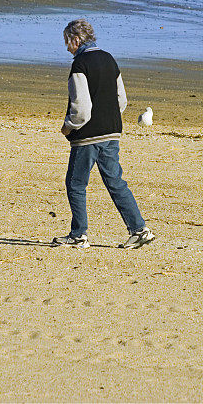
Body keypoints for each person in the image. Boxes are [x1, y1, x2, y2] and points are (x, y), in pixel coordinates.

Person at [52, 19, 154, 249]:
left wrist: (69, 126)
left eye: (67, 42)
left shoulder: (80, 64)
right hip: (112, 131)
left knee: (75, 183)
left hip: (88, 135)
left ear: (76, 40)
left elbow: (81, 109)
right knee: (115, 182)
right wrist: (107, 118)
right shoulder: (109, 58)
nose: (67, 47)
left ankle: (79, 234)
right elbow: (122, 101)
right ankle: (139, 230)